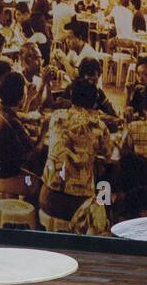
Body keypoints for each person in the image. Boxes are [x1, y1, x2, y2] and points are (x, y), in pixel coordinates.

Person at [38, 77, 113, 232]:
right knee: (105, 189)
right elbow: (108, 155)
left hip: (47, 199)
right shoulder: (99, 126)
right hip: (79, 208)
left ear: (71, 96)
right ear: (94, 102)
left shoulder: (56, 117)